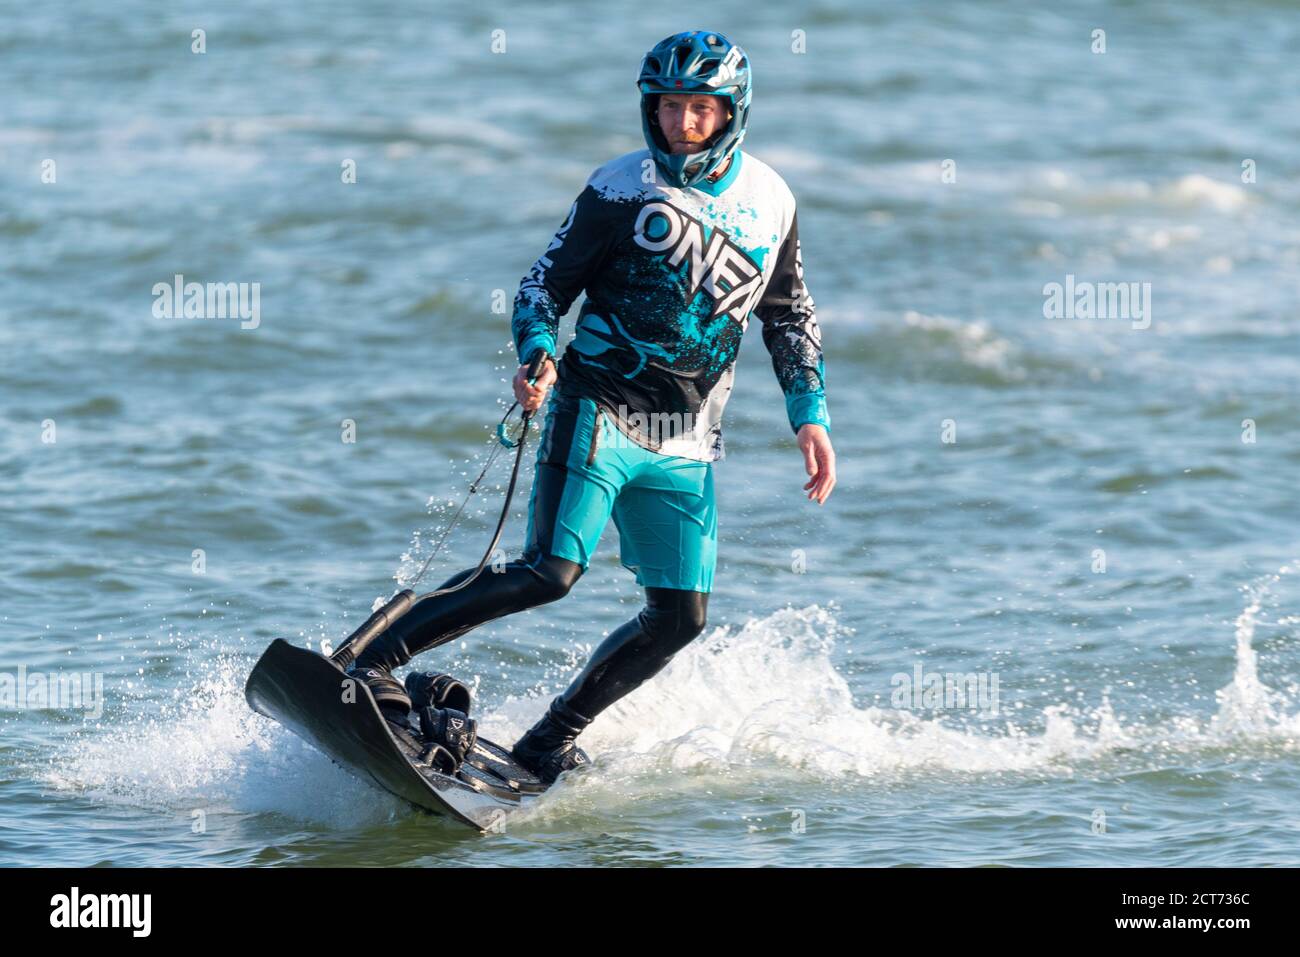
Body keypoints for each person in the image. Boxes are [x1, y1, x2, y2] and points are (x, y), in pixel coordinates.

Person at [348, 29, 835, 785]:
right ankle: (372, 657)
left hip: (685, 440)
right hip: (597, 408)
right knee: (549, 571)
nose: (683, 123)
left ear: (732, 111)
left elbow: (789, 314)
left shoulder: (772, 201)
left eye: (701, 108)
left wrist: (810, 414)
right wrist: (538, 350)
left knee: (680, 618)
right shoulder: (618, 188)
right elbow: (544, 285)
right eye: (670, 106)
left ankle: (549, 739)